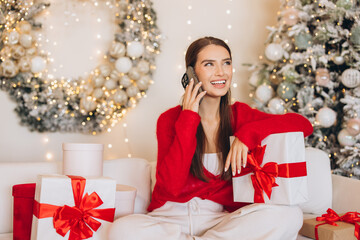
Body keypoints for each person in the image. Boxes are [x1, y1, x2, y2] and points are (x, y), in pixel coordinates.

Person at [108, 36, 313, 240]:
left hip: (221, 221)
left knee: (290, 215)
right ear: (191, 73)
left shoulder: (239, 115)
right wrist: (189, 117)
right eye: (209, 64)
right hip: (170, 218)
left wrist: (247, 135)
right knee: (123, 229)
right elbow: (171, 187)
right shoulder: (169, 120)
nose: (221, 72)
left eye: (226, 63)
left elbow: (303, 125)